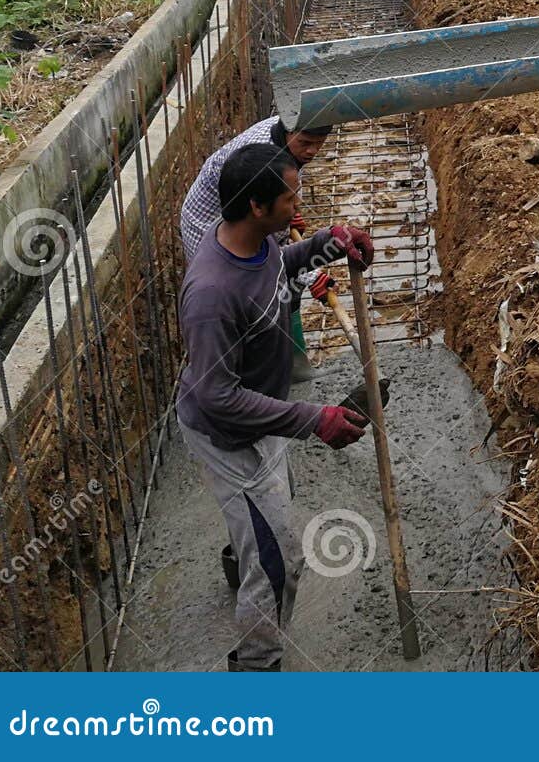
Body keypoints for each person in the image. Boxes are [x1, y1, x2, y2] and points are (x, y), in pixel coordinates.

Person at [176, 143, 374, 671]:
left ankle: (241, 555)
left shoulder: (256, 244)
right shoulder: (212, 295)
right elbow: (218, 396)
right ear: (258, 206)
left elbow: (280, 268)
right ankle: (257, 668)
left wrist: (325, 244)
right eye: (291, 196)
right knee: (279, 561)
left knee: (266, 520)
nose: (299, 201)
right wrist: (314, 419)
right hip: (230, 434)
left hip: (258, 413)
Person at [181, 117, 333, 380]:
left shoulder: (288, 130)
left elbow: (273, 229)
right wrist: (312, 275)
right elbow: (270, 253)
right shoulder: (262, 156)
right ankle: (241, 378)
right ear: (288, 132)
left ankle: (293, 367)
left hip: (245, 211)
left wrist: (287, 212)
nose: (312, 151)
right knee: (243, 300)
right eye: (306, 143)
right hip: (208, 220)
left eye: (319, 144)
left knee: (283, 289)